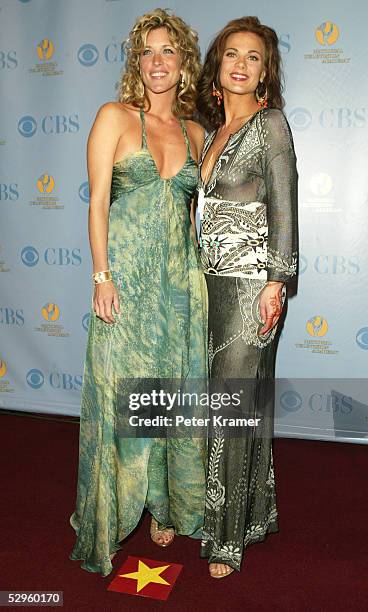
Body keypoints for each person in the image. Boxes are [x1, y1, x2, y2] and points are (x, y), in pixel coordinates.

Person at [69, 8, 208, 577]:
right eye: (148, 52)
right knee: (121, 401)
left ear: (183, 64)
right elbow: (97, 199)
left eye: (168, 52)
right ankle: (109, 516)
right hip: (125, 282)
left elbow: (193, 218)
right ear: (137, 62)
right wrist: (102, 276)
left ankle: (167, 505)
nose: (157, 62)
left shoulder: (198, 132)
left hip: (179, 287)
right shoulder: (115, 117)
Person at [196, 16, 298, 578]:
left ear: (265, 70)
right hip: (206, 287)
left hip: (250, 288)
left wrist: (277, 283)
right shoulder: (212, 133)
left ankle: (226, 539)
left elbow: (284, 207)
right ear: (218, 65)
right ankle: (250, 515)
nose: (240, 63)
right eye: (231, 53)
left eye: (253, 56)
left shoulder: (271, 125)